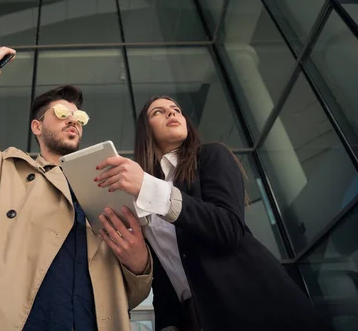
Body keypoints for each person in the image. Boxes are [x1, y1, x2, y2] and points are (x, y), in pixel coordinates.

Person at [0, 47, 152, 331]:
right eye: (63, 112)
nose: (73, 121)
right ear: (36, 126)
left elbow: (129, 295)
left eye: (80, 118)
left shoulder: (104, 188)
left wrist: (140, 265)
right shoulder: (6, 169)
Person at [95, 95, 331, 331]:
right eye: (158, 112)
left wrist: (148, 186)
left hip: (254, 307)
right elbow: (168, 273)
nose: (171, 113)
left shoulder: (211, 155)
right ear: (145, 131)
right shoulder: (143, 198)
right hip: (195, 317)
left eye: (176, 109)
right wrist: (168, 324)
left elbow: (228, 229)